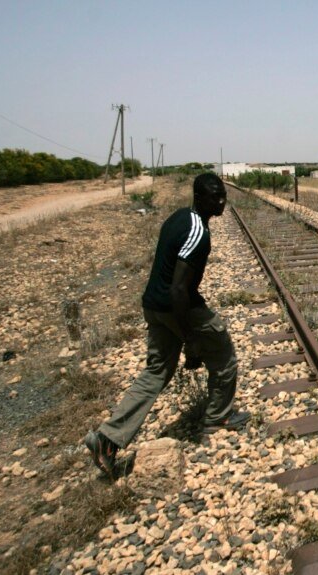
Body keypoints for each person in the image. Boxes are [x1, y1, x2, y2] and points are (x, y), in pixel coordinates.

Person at [85, 173, 250, 476]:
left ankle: (107, 439)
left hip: (153, 305)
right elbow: (178, 289)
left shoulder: (179, 217)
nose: (221, 201)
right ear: (199, 197)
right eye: (215, 196)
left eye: (223, 194)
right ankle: (218, 417)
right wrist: (190, 340)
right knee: (223, 354)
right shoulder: (199, 231)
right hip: (175, 306)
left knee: (157, 371)